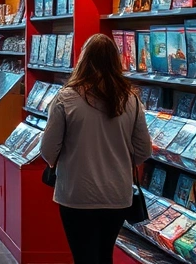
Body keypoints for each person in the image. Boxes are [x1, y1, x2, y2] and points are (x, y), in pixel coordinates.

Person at [40, 34, 152, 264]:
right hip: (117, 195)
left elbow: (48, 149)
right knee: (104, 255)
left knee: (84, 256)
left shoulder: (66, 97)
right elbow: (143, 150)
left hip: (76, 193)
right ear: (115, 61)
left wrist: (60, 162)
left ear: (83, 59)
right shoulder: (131, 99)